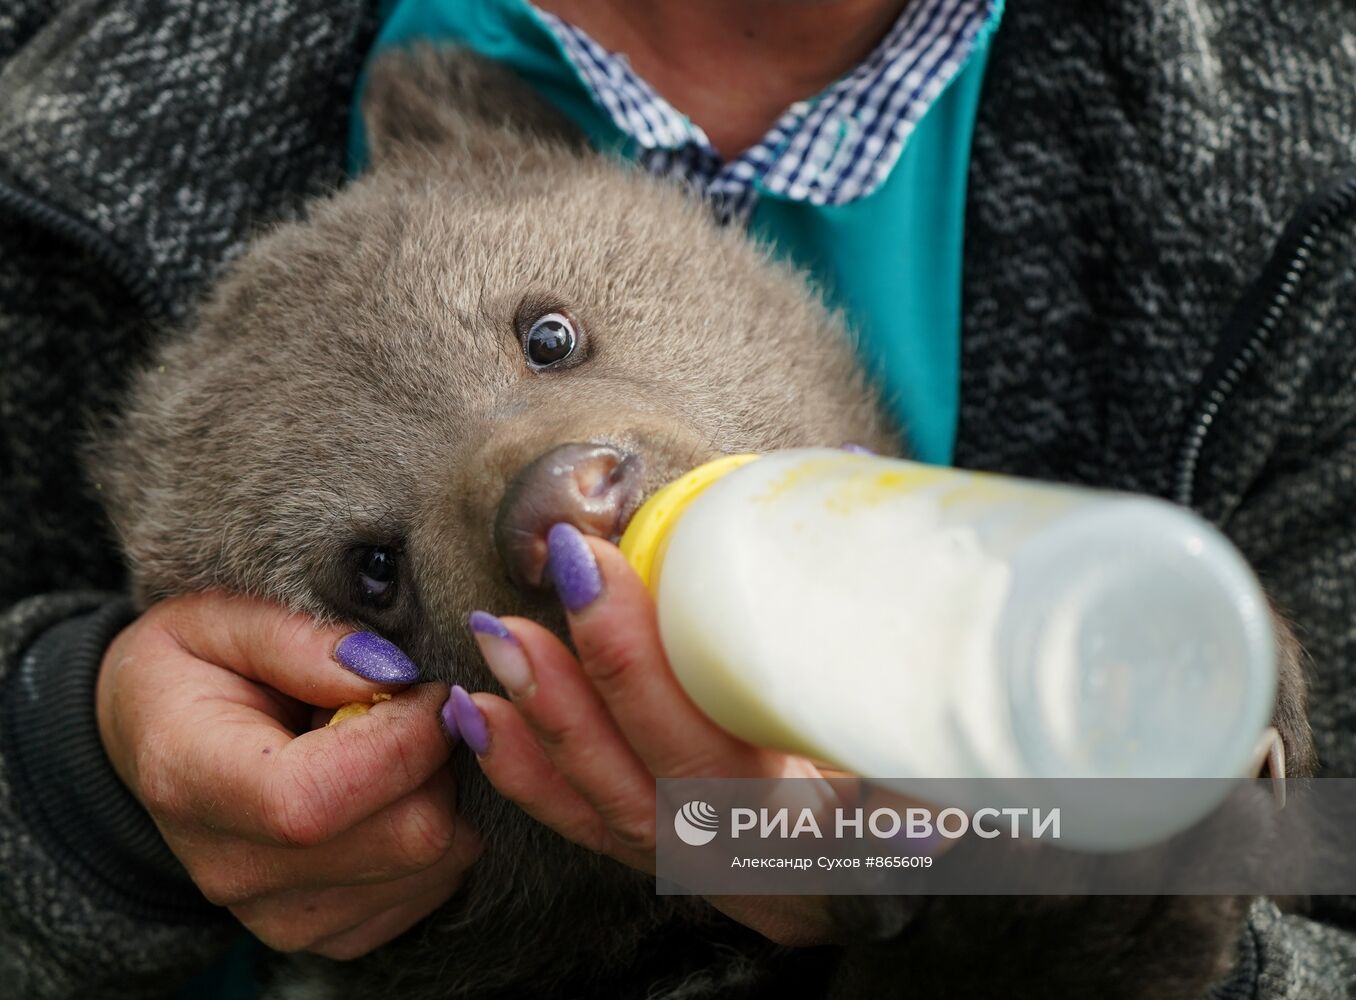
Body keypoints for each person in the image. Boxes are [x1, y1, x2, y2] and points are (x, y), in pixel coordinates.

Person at [1, 0, 1354, 997]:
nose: (542, 497)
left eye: (547, 346)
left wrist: (1037, 913)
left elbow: (1329, 878)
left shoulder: (1306, 153)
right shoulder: (53, 83)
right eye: (376, 579)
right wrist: (87, 778)